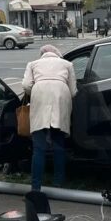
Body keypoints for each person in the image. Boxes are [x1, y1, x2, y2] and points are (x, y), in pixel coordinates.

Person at [22, 44, 77, 191]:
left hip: (39, 94)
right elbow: (73, 91)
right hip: (61, 95)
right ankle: (59, 183)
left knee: (38, 148)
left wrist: (37, 89)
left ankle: (35, 187)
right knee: (59, 144)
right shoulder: (67, 64)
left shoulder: (33, 64)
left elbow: (26, 85)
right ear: (57, 54)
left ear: (42, 54)